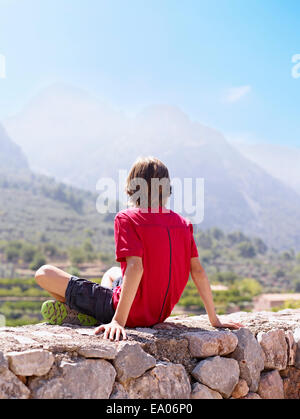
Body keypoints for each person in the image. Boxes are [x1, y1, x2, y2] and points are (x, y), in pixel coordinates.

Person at [35, 156, 243, 341]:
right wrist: (213, 319)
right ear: (167, 189)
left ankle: (92, 315)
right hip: (157, 315)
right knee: (111, 274)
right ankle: (93, 312)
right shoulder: (183, 224)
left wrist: (118, 321)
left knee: (43, 274)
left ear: (132, 188)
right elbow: (197, 271)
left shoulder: (127, 218)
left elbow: (136, 268)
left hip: (128, 313)